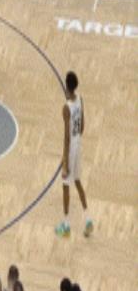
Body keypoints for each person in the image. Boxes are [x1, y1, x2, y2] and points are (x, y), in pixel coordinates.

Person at [55, 72, 93, 238]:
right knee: (77, 182)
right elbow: (82, 126)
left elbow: (66, 137)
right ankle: (88, 219)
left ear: (66, 85)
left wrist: (65, 162)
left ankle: (66, 226)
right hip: (79, 145)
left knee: (66, 186)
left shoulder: (66, 108)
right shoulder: (80, 100)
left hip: (71, 148)